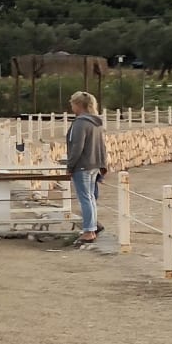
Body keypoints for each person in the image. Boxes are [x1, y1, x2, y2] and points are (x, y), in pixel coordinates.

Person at [66, 91, 109, 245]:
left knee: (85, 198)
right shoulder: (96, 123)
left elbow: (77, 146)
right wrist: (103, 165)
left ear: (78, 105)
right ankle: (92, 226)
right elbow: (102, 146)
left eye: (72, 104)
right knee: (90, 197)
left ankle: (89, 231)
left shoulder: (80, 123)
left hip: (83, 165)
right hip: (94, 165)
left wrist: (70, 165)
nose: (71, 107)